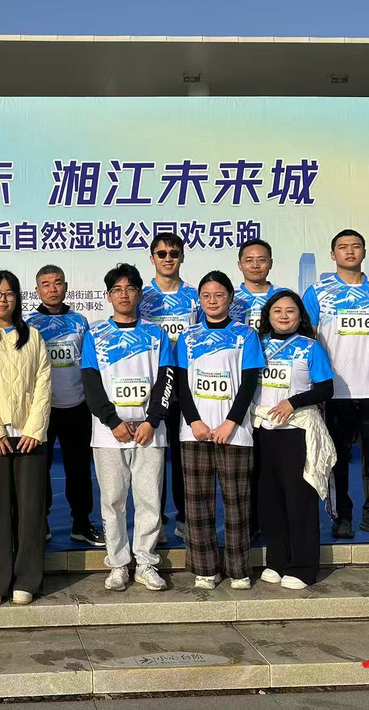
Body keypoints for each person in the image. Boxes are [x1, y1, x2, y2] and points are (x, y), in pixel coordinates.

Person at [303, 229, 369, 540]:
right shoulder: (317, 292)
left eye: (356, 246)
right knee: (336, 459)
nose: (349, 251)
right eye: (342, 247)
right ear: (332, 255)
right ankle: (341, 516)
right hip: (335, 392)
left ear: (363, 252)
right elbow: (308, 338)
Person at [82, 263, 174, 593]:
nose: (124, 295)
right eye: (117, 290)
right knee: (113, 502)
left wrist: (152, 420)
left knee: (149, 500)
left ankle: (146, 563)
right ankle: (119, 564)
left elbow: (166, 380)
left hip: (150, 432)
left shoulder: (156, 334)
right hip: (109, 435)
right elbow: (90, 383)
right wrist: (112, 421)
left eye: (130, 289)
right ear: (108, 296)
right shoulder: (95, 335)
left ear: (139, 294)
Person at [176, 271, 265, 591]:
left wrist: (231, 422)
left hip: (234, 433)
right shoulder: (188, 337)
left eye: (219, 295)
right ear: (199, 300)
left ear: (230, 297)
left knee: (237, 503)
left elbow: (250, 381)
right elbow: (181, 384)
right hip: (195, 433)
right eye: (206, 296)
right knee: (197, 504)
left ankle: (239, 569)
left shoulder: (246, 335)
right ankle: (205, 568)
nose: (212, 301)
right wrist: (194, 421)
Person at [0, 271, 51, 606]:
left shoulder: (33, 337)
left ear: (18, 298)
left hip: (30, 437)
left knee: (31, 512)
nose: (3, 299)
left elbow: (44, 384)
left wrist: (34, 429)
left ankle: (27, 579)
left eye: (9, 293)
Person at [253, 291, 335, 590]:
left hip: (296, 431)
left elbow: (326, 389)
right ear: (268, 315)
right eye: (277, 310)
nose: (284, 315)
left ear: (300, 316)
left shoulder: (310, 347)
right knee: (269, 500)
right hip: (263, 430)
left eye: (290, 310)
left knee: (299, 499)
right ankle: (277, 560)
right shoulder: (256, 345)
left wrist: (293, 402)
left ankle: (302, 566)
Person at [26, 265, 104, 546]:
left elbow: (88, 362)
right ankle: (41, 521)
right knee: (39, 469)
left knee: (79, 469)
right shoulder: (29, 324)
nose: (52, 288)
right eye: (46, 284)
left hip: (77, 406)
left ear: (66, 287)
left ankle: (81, 523)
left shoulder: (79, 321)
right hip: (43, 408)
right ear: (37, 290)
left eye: (57, 282)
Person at [138, 231, 199, 541]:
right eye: (161, 253)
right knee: (153, 459)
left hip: (187, 388)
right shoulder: (140, 296)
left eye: (174, 253)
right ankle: (156, 520)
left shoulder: (195, 296)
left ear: (182, 257)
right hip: (152, 387)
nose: (168, 258)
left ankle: (185, 518)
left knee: (185, 457)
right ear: (152, 259)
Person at [228, 238, 286, 538]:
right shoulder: (229, 299)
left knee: (272, 460)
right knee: (245, 462)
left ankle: (273, 519)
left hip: (275, 388)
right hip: (236, 388)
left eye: (261, 259)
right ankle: (248, 522)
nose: (255, 265)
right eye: (249, 260)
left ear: (270, 263)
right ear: (240, 265)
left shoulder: (283, 297)